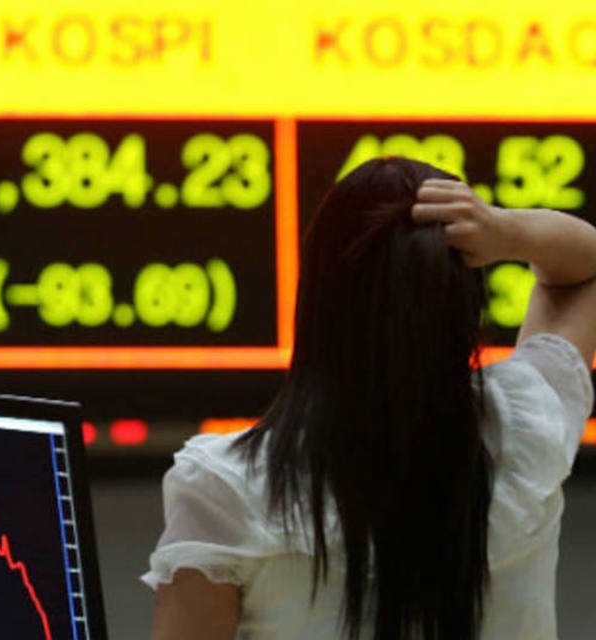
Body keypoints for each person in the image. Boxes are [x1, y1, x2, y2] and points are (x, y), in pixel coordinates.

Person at [142, 157, 596, 640]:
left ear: (314, 297)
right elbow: (583, 271)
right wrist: (504, 230)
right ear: (466, 300)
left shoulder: (225, 489)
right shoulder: (529, 425)